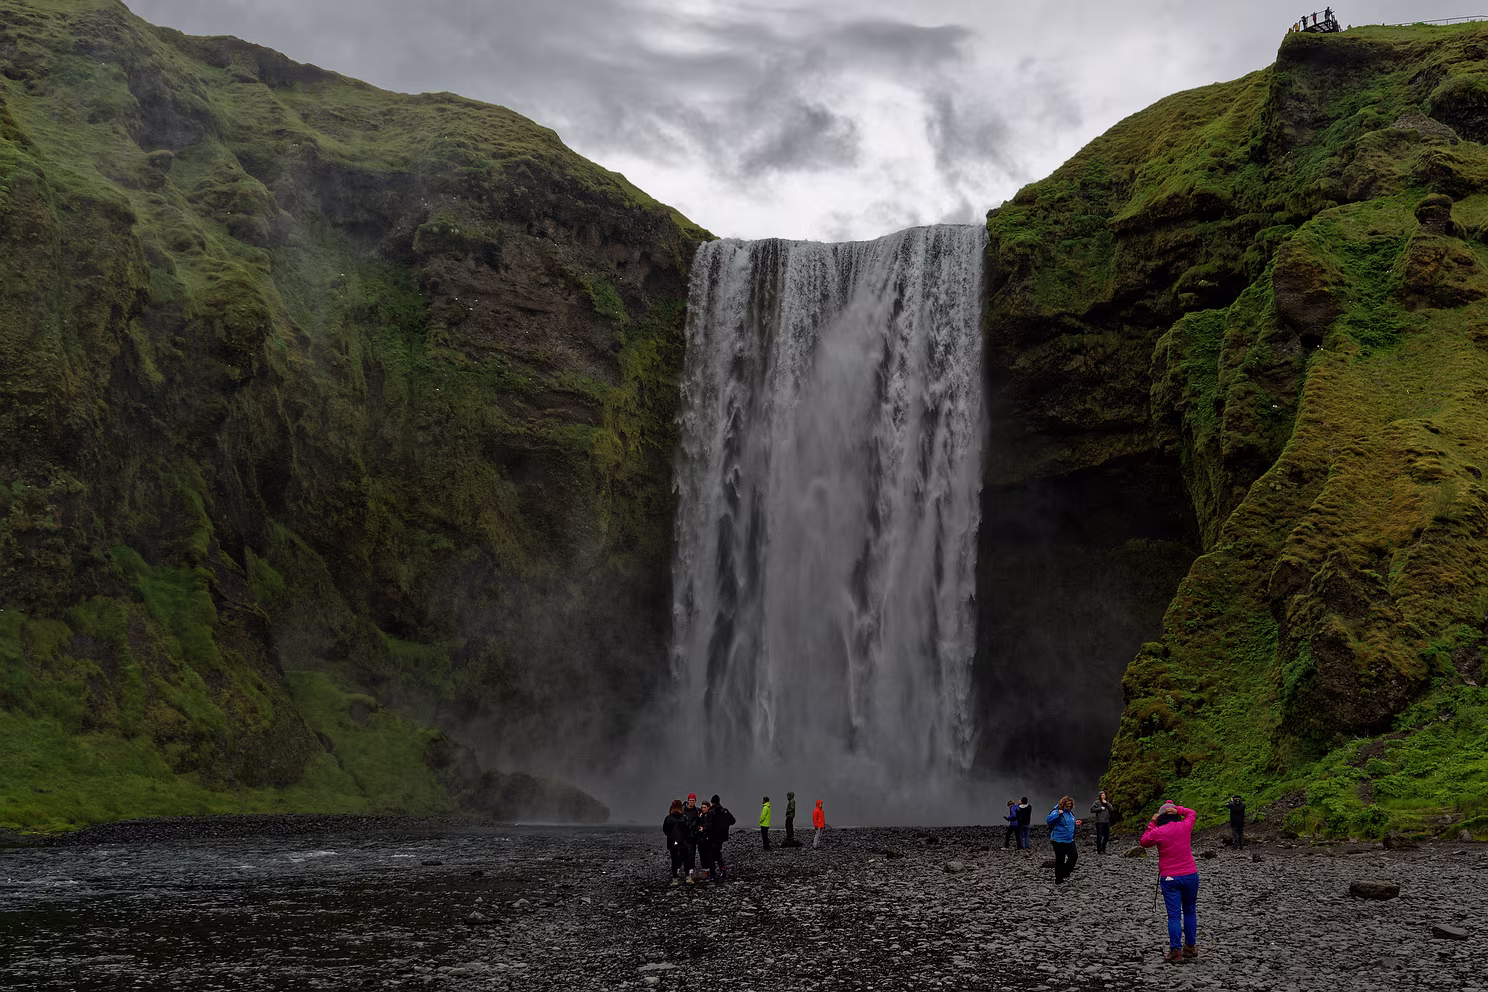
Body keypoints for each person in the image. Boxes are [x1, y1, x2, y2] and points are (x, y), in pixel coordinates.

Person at [1141, 799, 1200, 964]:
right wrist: (1179, 809)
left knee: (1174, 915)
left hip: (1170, 877)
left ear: (1160, 817)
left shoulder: (1158, 831)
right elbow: (1192, 812)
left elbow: (1144, 842)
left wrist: (1152, 822)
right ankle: (1190, 947)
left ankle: (1176, 951)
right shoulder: (1185, 826)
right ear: (1174, 815)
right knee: (1189, 911)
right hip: (1190, 875)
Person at [1046, 796, 1082, 883]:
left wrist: (1075, 823)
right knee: (1060, 860)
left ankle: (1065, 873)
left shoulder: (1070, 813)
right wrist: (1058, 813)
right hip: (1058, 840)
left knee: (1074, 856)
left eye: (1070, 806)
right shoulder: (1056, 811)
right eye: (1067, 806)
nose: (1068, 807)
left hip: (1069, 839)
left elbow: (1069, 823)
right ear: (1063, 804)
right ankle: (1058, 879)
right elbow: (1048, 820)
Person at [708, 794, 735, 879]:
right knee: (718, 854)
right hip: (722, 837)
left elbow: (708, 825)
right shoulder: (725, 811)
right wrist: (725, 824)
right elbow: (733, 821)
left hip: (713, 837)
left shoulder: (711, 812)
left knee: (712, 855)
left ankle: (713, 873)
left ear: (712, 802)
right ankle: (722, 871)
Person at [663, 800, 688, 881]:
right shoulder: (684, 817)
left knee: (674, 860)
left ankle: (675, 878)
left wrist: (671, 837)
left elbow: (665, 830)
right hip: (683, 841)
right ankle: (687, 876)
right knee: (685, 859)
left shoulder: (668, 818)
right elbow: (688, 830)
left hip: (672, 842)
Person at [682, 794, 701, 876]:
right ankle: (685, 867)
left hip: (693, 836)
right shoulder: (683, 811)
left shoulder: (698, 811)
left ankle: (691, 869)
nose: (692, 802)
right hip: (684, 836)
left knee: (692, 853)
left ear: (695, 801)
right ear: (688, 800)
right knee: (683, 853)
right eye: (690, 800)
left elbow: (702, 819)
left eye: (693, 800)